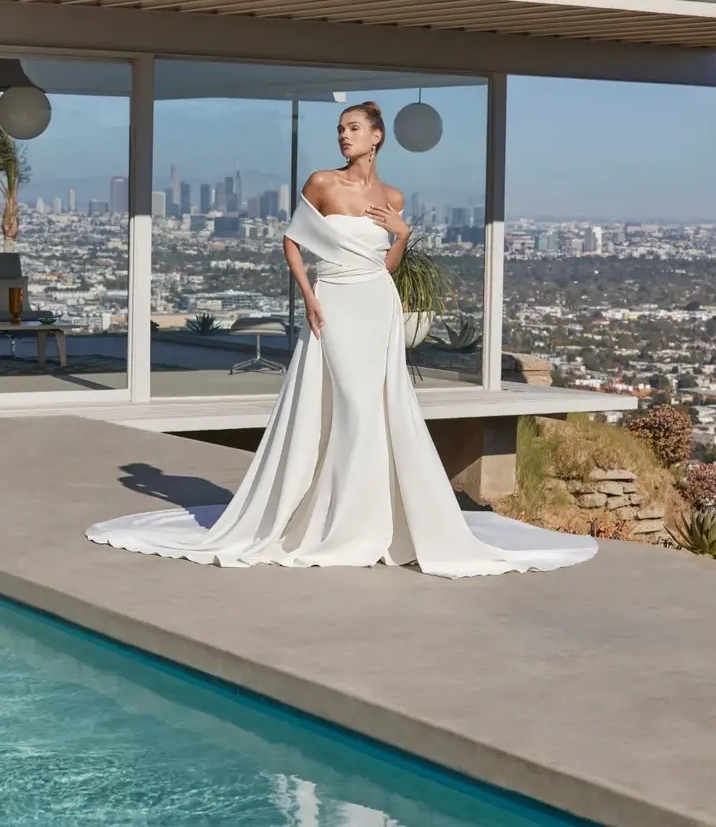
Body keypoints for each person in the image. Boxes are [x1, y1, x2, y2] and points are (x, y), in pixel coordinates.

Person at [86, 101, 596, 578]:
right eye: (340, 129)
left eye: (353, 129)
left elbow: (386, 267)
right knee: (347, 404)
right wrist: (309, 295)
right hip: (333, 303)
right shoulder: (322, 184)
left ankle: (372, 518)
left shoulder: (391, 198)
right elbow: (291, 241)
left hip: (377, 305)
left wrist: (403, 234)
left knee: (376, 407)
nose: (343, 136)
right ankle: (339, 521)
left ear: (376, 138)